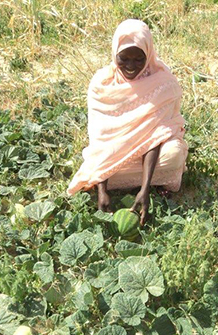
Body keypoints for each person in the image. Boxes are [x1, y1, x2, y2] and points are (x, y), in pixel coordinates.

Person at [67, 19, 188, 226]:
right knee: (96, 164)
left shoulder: (162, 83)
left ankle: (145, 180)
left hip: (150, 153)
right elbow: (101, 139)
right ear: (115, 54)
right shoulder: (102, 84)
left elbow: (156, 135)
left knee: (174, 154)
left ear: (148, 54)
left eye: (139, 59)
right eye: (124, 58)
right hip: (114, 153)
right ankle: (107, 181)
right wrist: (102, 190)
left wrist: (145, 188)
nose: (130, 67)